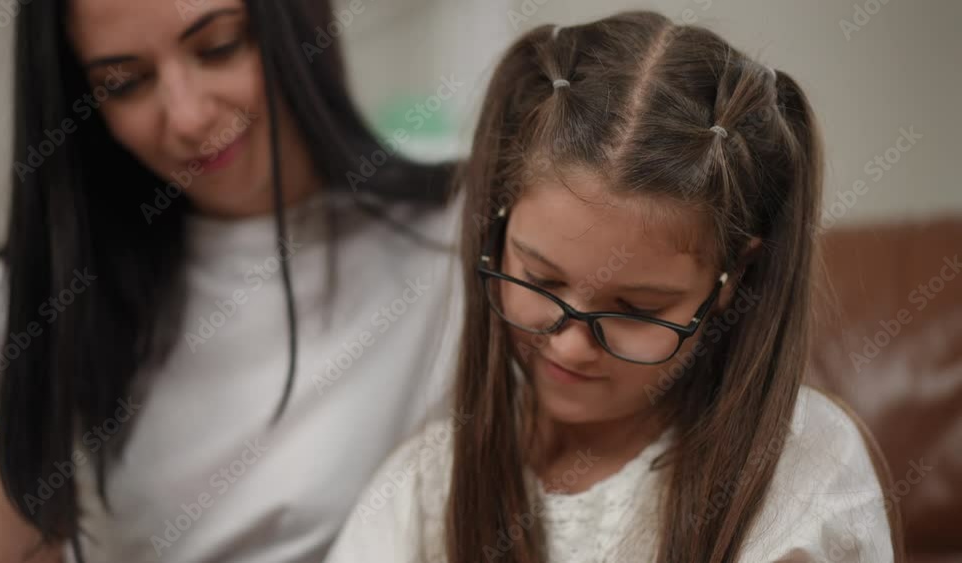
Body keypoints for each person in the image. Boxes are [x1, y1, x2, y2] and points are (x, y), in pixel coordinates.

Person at [324, 10, 903, 563]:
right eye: (541, 278)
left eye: (635, 307)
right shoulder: (424, 488)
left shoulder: (805, 477)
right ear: (497, 230)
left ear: (734, 279)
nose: (570, 346)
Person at [0, 0, 462, 561]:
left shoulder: (459, 238)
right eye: (123, 84)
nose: (188, 117)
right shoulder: (21, 306)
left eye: (219, 47)